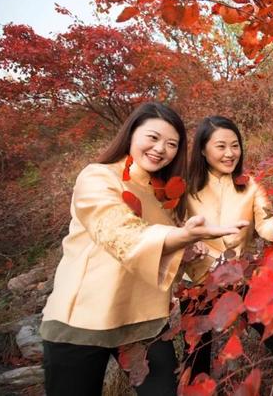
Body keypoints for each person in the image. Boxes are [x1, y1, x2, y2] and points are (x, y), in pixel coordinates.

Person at [40, 102, 247, 396]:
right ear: (131, 134)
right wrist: (179, 238)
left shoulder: (166, 196)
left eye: (172, 144)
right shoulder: (98, 177)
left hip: (144, 325)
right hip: (82, 322)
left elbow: (184, 253)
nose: (161, 149)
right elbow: (117, 231)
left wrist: (225, 265)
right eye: (153, 137)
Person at [185, 116, 273, 395]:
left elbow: (266, 224)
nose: (230, 153)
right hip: (196, 286)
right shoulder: (185, 189)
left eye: (235, 145)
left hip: (238, 277)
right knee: (196, 362)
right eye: (220, 146)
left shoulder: (249, 185)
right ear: (203, 150)